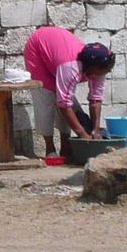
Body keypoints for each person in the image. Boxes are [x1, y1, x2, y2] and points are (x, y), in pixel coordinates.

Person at [22, 26, 115, 157]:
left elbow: (96, 99)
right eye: (107, 69)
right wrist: (83, 135)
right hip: (38, 50)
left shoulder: (100, 66)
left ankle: (66, 148)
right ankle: (50, 149)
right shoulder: (71, 68)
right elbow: (64, 105)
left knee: (71, 106)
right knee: (45, 96)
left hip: (59, 54)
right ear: (94, 67)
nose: (108, 72)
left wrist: (95, 130)